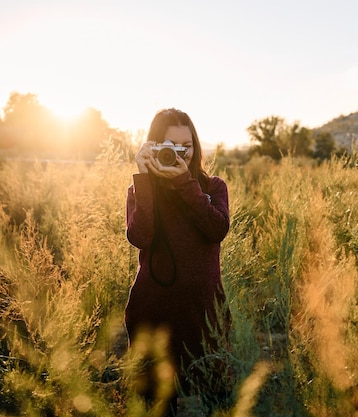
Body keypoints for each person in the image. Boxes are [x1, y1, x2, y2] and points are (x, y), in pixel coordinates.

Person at [124, 108, 232, 416]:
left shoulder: (213, 187)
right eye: (171, 146)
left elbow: (217, 229)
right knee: (157, 405)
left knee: (218, 399)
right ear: (155, 147)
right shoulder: (141, 190)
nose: (181, 153)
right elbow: (140, 237)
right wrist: (145, 180)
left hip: (204, 313)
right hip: (153, 313)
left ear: (196, 146)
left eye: (187, 146)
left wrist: (185, 182)